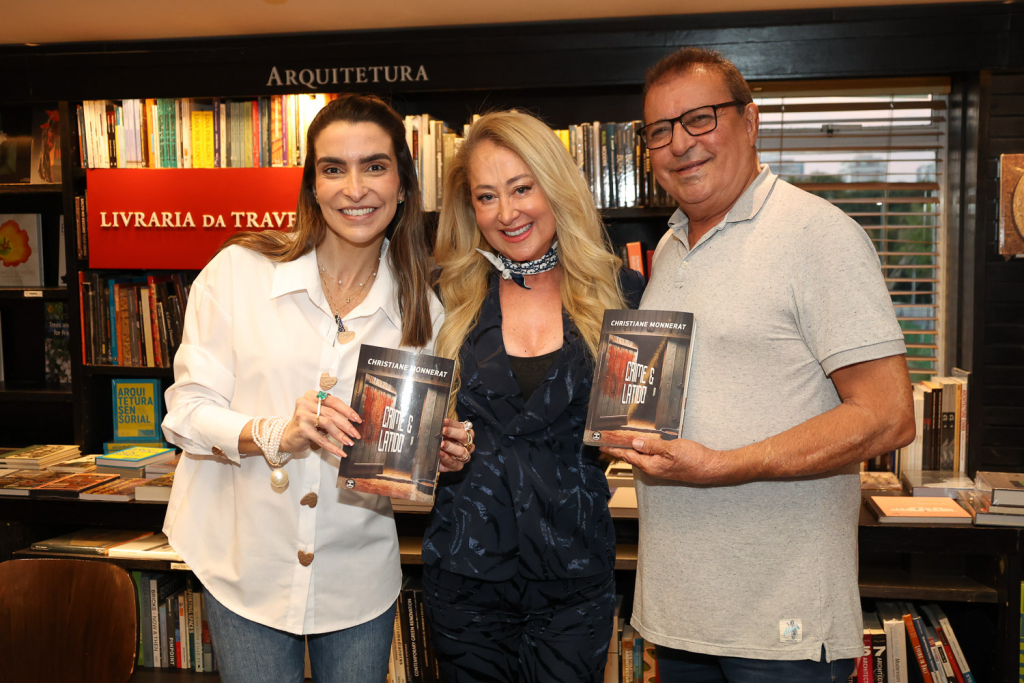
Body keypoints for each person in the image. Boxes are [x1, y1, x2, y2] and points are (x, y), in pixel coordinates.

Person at [602, 48, 916, 683]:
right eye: (659, 130)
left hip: (781, 629)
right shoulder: (669, 247)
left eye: (699, 119)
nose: (679, 144)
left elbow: (888, 417)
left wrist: (723, 467)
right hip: (682, 614)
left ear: (750, 121)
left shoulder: (817, 235)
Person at [160, 93, 472, 683]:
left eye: (374, 166)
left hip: (356, 576)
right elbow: (186, 412)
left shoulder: (425, 314)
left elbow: (404, 471)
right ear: (312, 187)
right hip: (241, 563)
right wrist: (275, 430)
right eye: (334, 169)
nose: (355, 188)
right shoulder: (237, 273)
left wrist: (443, 456)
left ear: (404, 184)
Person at [422, 110, 645, 683]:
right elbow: (404, 425)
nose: (507, 213)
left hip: (574, 578)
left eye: (522, 188)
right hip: (465, 576)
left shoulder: (622, 293)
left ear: (555, 186)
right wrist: (434, 450)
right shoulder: (446, 295)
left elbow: (645, 425)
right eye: (487, 196)